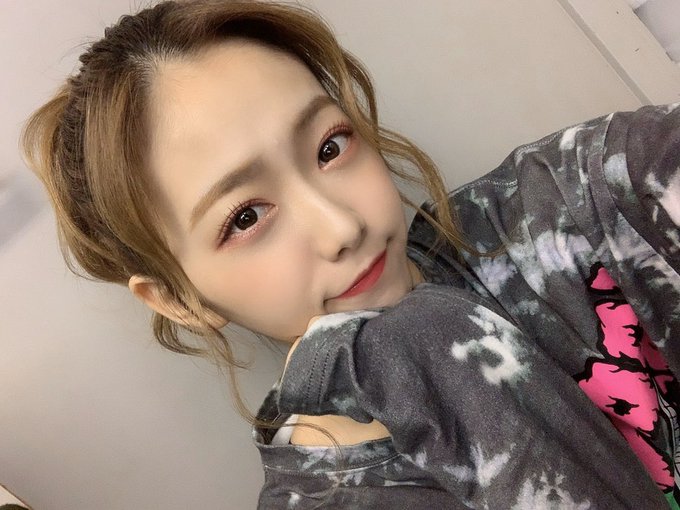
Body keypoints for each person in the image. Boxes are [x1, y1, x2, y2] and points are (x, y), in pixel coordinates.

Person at [21, 0, 680, 508]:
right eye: (245, 217)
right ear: (180, 299)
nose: (341, 226)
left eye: (329, 147)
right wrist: (416, 354)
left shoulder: (575, 201)